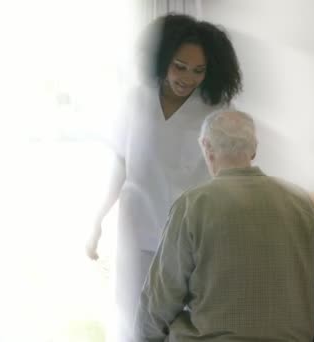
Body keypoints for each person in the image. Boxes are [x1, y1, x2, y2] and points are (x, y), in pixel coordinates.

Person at [85, 14, 243, 342]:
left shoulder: (216, 109)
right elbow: (120, 161)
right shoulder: (137, 99)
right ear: (164, 60)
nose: (187, 78)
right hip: (137, 226)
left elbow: (230, 177)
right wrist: (97, 219)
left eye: (198, 70)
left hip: (193, 234)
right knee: (135, 320)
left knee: (185, 327)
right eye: (180, 66)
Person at [135, 110, 314, 342]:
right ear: (254, 149)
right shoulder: (299, 201)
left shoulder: (192, 205)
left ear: (206, 147)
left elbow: (160, 299)